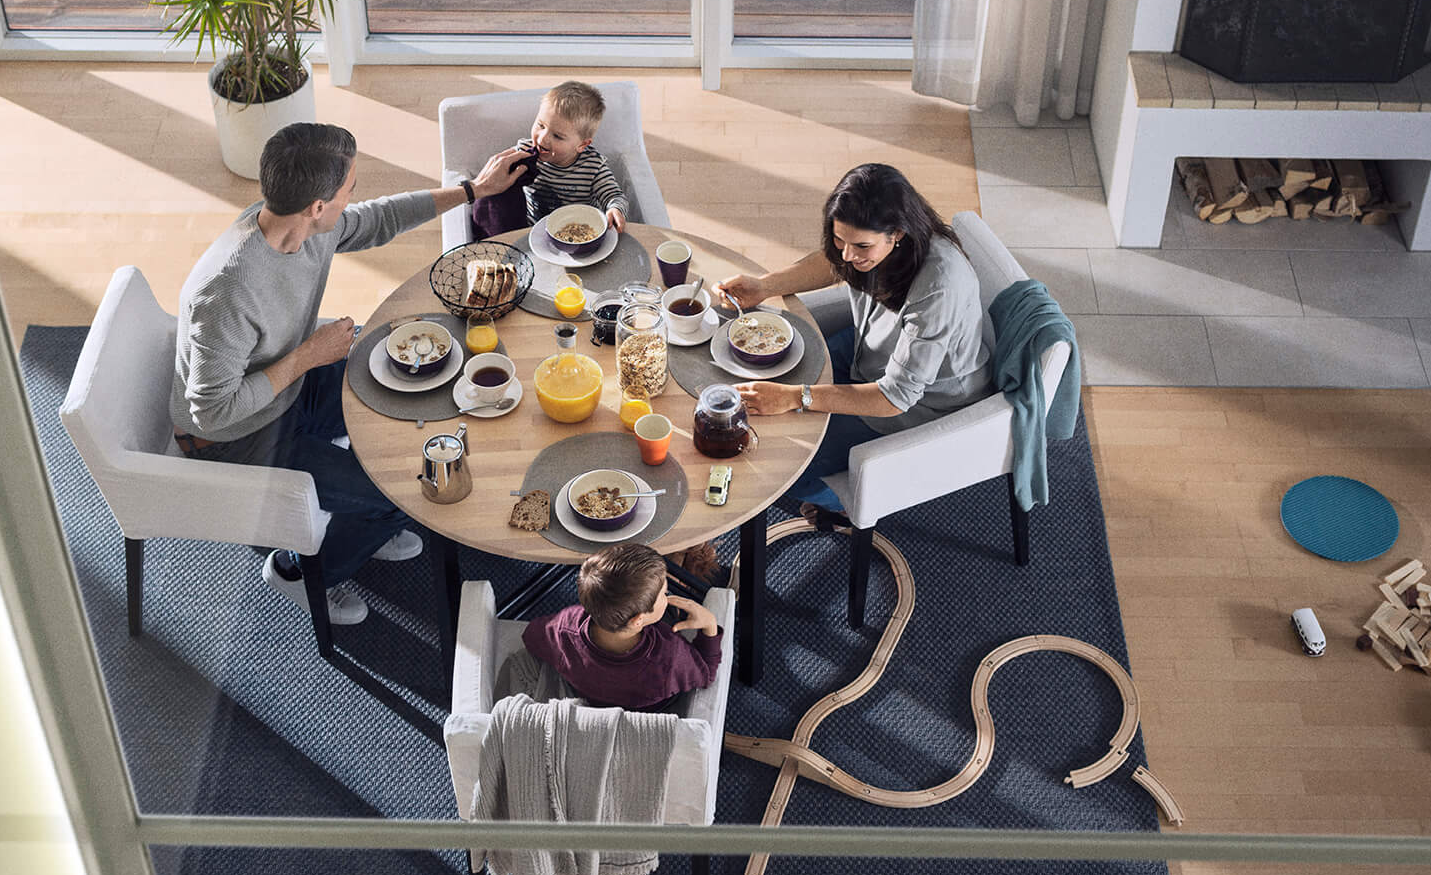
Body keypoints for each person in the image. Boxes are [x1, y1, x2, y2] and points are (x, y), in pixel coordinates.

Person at [171, 122, 520, 626]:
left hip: (283, 388)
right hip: (236, 437)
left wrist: (473, 191)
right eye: (349, 188)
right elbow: (211, 411)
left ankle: (368, 517)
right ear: (316, 206)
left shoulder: (302, 226)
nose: (354, 196)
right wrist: (311, 354)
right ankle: (298, 573)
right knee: (410, 491)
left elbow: (377, 219)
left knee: (416, 399)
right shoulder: (227, 291)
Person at [716, 162, 993, 513]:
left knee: (781, 472)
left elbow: (896, 397)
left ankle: (848, 503)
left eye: (861, 246)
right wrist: (764, 286)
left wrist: (795, 397)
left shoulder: (939, 286)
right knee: (766, 392)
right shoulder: (873, 246)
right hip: (869, 351)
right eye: (839, 240)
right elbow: (834, 262)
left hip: (921, 403)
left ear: (897, 234)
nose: (848, 256)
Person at [523, 544, 722, 712]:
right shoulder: (669, 655)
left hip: (597, 699)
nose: (666, 595)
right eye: (664, 592)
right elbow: (706, 673)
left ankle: (678, 560)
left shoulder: (565, 626)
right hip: (651, 707)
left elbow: (531, 635)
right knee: (672, 612)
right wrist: (709, 625)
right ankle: (683, 559)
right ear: (638, 620)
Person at [515, 81, 630, 232]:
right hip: (534, 230)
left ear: (582, 145)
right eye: (541, 125)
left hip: (579, 233)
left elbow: (614, 196)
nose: (542, 139)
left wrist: (616, 209)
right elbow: (496, 176)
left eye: (557, 136)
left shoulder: (593, 167)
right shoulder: (523, 152)